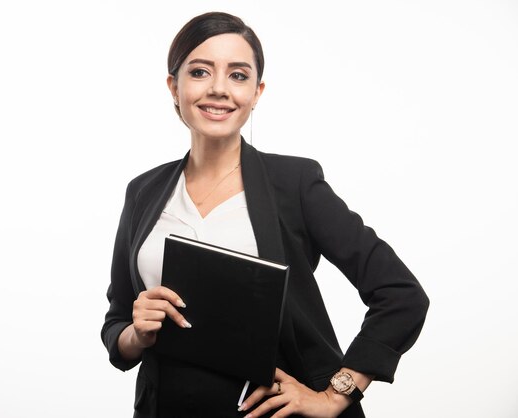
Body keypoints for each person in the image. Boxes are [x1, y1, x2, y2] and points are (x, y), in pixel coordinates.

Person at [101, 11, 429, 418]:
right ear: (174, 86)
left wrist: (336, 394)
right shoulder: (143, 192)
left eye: (238, 76)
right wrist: (137, 333)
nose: (219, 89)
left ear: (256, 92)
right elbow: (116, 326)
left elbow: (401, 295)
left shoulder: (295, 183)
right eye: (200, 72)